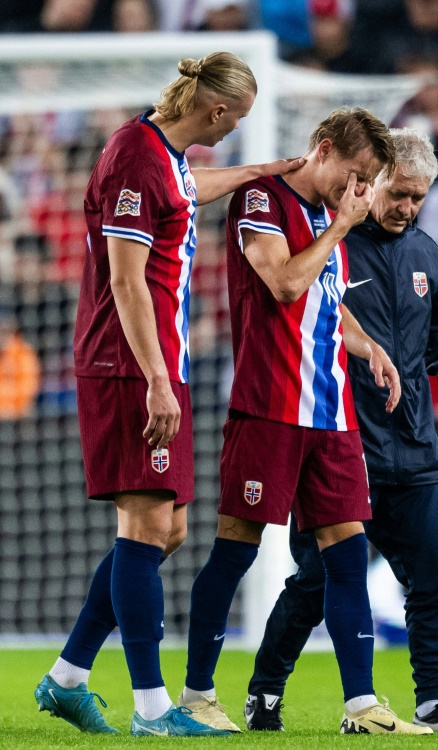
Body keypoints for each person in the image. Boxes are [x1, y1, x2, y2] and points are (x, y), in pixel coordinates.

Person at [32, 53, 304, 736]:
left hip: (158, 364)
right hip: (129, 365)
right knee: (146, 527)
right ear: (216, 112)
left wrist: (259, 172)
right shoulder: (132, 158)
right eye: (237, 120)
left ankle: (67, 678)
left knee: (167, 531)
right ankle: (153, 709)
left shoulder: (160, 153)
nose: (236, 129)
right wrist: (156, 379)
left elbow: (187, 188)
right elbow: (125, 281)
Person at [179, 109, 432, 736]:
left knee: (347, 559)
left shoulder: (331, 213)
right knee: (235, 552)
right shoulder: (264, 200)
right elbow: (287, 283)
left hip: (332, 413)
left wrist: (369, 346)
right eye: (357, 175)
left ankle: (362, 707)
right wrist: (344, 224)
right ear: (323, 150)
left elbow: (324, 301)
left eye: (370, 182)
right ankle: (195, 696)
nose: (362, 191)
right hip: (268, 409)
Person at [242, 128, 438, 733]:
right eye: (399, 193)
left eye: (418, 198)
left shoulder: (426, 254)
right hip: (340, 443)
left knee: (436, 576)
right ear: (372, 180)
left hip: (412, 450)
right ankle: (265, 693)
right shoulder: (327, 243)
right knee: (316, 581)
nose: (407, 208)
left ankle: (432, 702)